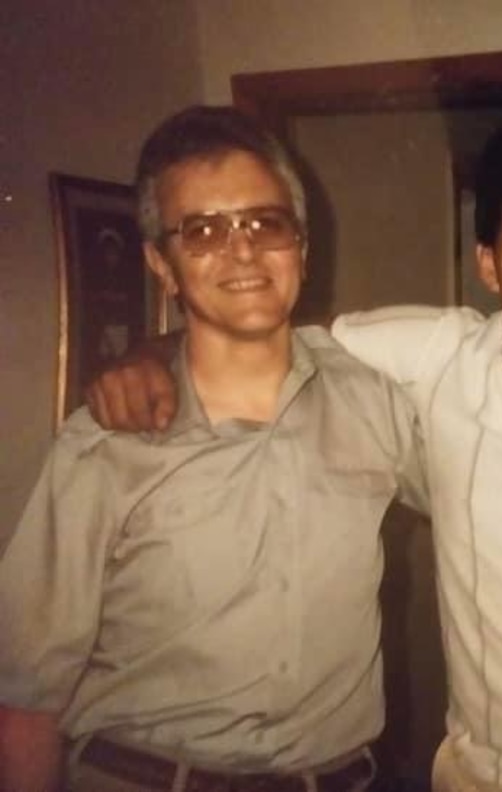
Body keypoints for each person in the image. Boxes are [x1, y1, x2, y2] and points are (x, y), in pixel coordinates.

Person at [84, 107, 502, 792]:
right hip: (475, 776)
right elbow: (261, 333)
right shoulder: (436, 355)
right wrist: (153, 353)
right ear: (488, 262)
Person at [0, 106, 427, 792]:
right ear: (161, 265)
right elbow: (24, 701)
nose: (244, 251)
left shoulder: (375, 401)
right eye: (202, 231)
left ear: (302, 245)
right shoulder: (105, 443)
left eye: (267, 222)